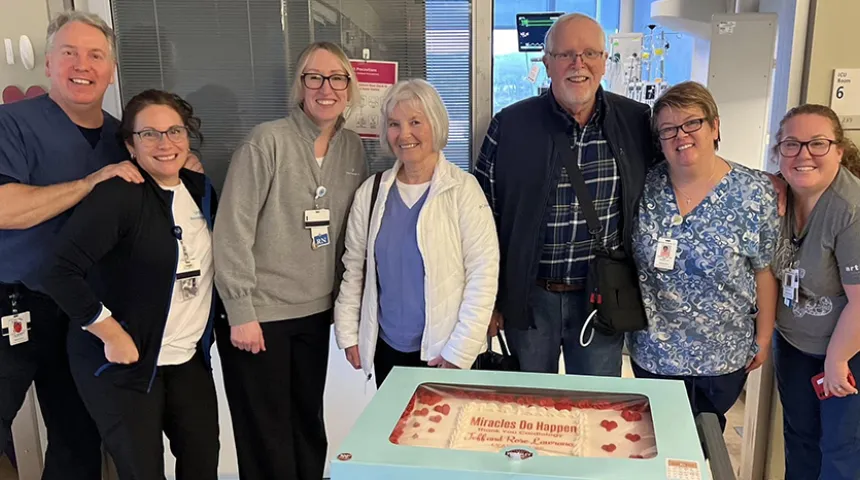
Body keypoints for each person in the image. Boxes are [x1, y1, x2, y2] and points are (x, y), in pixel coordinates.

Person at [40, 90, 221, 480]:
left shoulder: (200, 189)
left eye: (174, 131)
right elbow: (58, 271)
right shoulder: (119, 195)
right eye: (149, 134)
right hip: (124, 364)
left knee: (204, 460)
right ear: (130, 145)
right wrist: (110, 333)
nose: (164, 143)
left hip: (186, 358)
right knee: (143, 471)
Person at [213, 41, 367, 479]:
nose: (326, 88)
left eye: (337, 78)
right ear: (300, 86)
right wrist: (240, 310)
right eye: (314, 77)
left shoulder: (353, 149)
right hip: (260, 315)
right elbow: (231, 231)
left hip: (316, 313)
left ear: (350, 88)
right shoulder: (267, 141)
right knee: (266, 435)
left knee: (306, 424)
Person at [473, 13, 656, 376]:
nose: (579, 64)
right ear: (546, 63)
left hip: (601, 297)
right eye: (565, 55)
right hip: (528, 299)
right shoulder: (509, 126)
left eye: (590, 53)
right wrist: (488, 301)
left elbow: (679, 176)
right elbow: (481, 219)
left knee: (594, 407)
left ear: (605, 61)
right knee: (527, 411)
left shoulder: (637, 121)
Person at [0, 12, 137, 479]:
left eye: (96, 54)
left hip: (86, 313)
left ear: (112, 69)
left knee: (78, 439)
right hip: (18, 304)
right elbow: (5, 208)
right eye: (69, 53)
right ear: (48, 65)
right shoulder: (11, 125)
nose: (83, 65)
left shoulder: (124, 138)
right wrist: (89, 182)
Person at [626, 81, 780, 431]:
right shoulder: (642, 185)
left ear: (715, 126)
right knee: (655, 441)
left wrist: (764, 337)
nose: (681, 135)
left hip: (722, 356)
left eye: (692, 123)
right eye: (668, 129)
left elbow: (764, 270)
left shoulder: (754, 192)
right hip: (653, 353)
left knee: (704, 443)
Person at [334, 79, 499, 387]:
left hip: (445, 355)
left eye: (415, 122)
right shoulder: (371, 193)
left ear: (435, 125)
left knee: (443, 434)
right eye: (394, 124)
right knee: (394, 434)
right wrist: (348, 334)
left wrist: (458, 353)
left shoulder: (463, 191)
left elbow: (483, 276)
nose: (404, 134)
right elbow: (354, 268)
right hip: (388, 350)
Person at [770, 104, 860, 480]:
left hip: (846, 351)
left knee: (841, 449)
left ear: (839, 150)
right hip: (793, 342)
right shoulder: (779, 193)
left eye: (818, 144)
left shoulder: (850, 208)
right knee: (800, 438)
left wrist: (837, 361)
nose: (804, 154)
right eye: (792, 144)